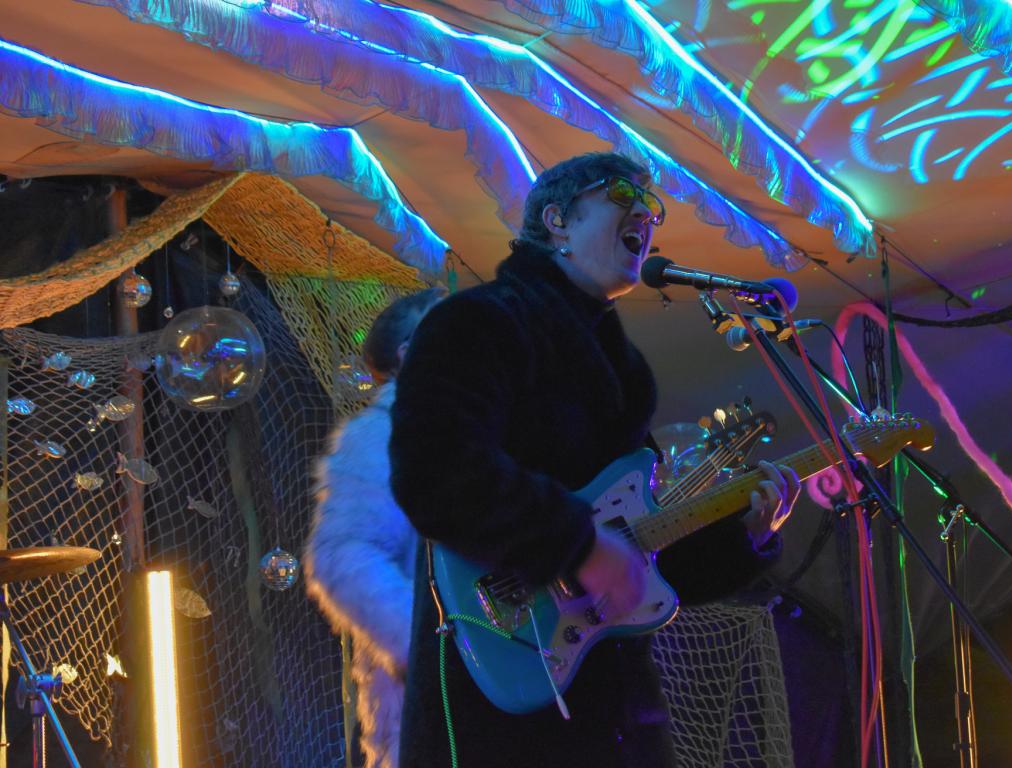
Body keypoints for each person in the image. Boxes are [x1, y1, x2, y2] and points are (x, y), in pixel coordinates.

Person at [389, 152, 801, 767]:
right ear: (557, 220)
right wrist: (575, 544)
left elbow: (649, 559)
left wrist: (744, 538)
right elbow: (434, 469)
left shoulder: (622, 370)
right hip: (498, 679)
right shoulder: (479, 320)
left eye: (651, 206)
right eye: (621, 196)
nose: (646, 214)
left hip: (612, 702)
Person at [305, 286, 448, 768]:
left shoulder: (481, 429)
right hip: (430, 716)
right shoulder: (379, 434)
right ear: (411, 353)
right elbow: (343, 555)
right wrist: (429, 648)